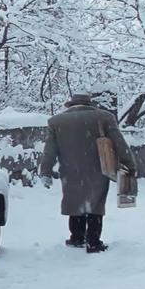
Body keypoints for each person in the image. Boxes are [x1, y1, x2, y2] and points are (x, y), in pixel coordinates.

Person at [39, 94, 136, 253]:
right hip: (98, 168)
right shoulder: (104, 118)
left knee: (75, 200)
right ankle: (93, 241)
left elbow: (49, 151)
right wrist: (129, 164)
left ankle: (77, 237)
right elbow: (119, 142)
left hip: (70, 170)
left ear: (70, 105)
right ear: (89, 104)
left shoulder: (56, 121)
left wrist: (45, 171)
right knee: (95, 203)